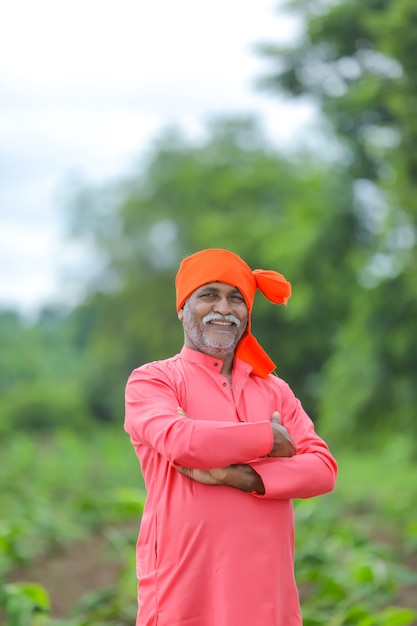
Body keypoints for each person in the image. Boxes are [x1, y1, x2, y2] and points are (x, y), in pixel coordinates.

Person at [124, 248, 337, 626]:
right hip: (185, 592)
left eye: (236, 298)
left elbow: (322, 468)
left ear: (248, 313)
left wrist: (243, 476)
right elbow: (180, 440)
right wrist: (270, 439)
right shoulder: (153, 380)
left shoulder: (275, 390)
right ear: (182, 308)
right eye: (209, 294)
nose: (223, 307)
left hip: (267, 595)